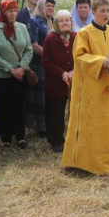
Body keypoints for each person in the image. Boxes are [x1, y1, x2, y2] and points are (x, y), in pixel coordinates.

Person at [62, 0, 109, 174]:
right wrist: (101, 61)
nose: (106, 14)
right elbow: (79, 57)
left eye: (108, 11)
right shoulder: (84, 33)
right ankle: (86, 163)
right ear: (93, 12)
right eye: (102, 11)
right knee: (92, 125)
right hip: (91, 89)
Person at [0, 0, 33, 148]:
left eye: (15, 11)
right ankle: (5, 137)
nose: (12, 14)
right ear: (3, 12)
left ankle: (20, 136)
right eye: (9, 11)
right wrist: (11, 69)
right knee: (3, 106)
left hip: (20, 75)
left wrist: (21, 68)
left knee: (19, 105)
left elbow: (28, 50)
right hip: (1, 76)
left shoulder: (22, 27)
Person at [42, 10, 76, 152]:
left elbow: (82, 56)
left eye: (67, 20)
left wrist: (74, 71)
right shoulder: (50, 38)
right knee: (55, 112)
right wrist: (62, 73)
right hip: (55, 82)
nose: (65, 23)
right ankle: (56, 141)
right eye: (61, 21)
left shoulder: (76, 37)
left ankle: (75, 139)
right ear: (56, 23)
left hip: (75, 80)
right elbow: (46, 61)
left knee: (76, 111)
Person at [26, 0, 55, 137]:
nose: (50, 8)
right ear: (41, 6)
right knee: (39, 95)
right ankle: (39, 127)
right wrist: (50, 56)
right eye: (48, 5)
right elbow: (34, 44)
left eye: (52, 6)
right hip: (38, 64)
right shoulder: (34, 21)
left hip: (52, 65)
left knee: (50, 94)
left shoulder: (53, 21)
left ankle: (49, 123)